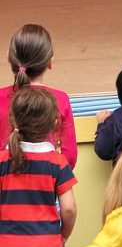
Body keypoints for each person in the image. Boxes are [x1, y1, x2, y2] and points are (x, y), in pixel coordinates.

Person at [0, 87, 77, 247]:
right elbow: (69, 209)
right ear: (54, 124)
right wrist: (63, 236)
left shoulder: (2, 160)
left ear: (13, 120)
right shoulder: (57, 162)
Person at [0, 23, 77, 169]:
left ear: (9, 58)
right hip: (48, 180)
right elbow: (70, 157)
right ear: (49, 63)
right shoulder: (60, 99)